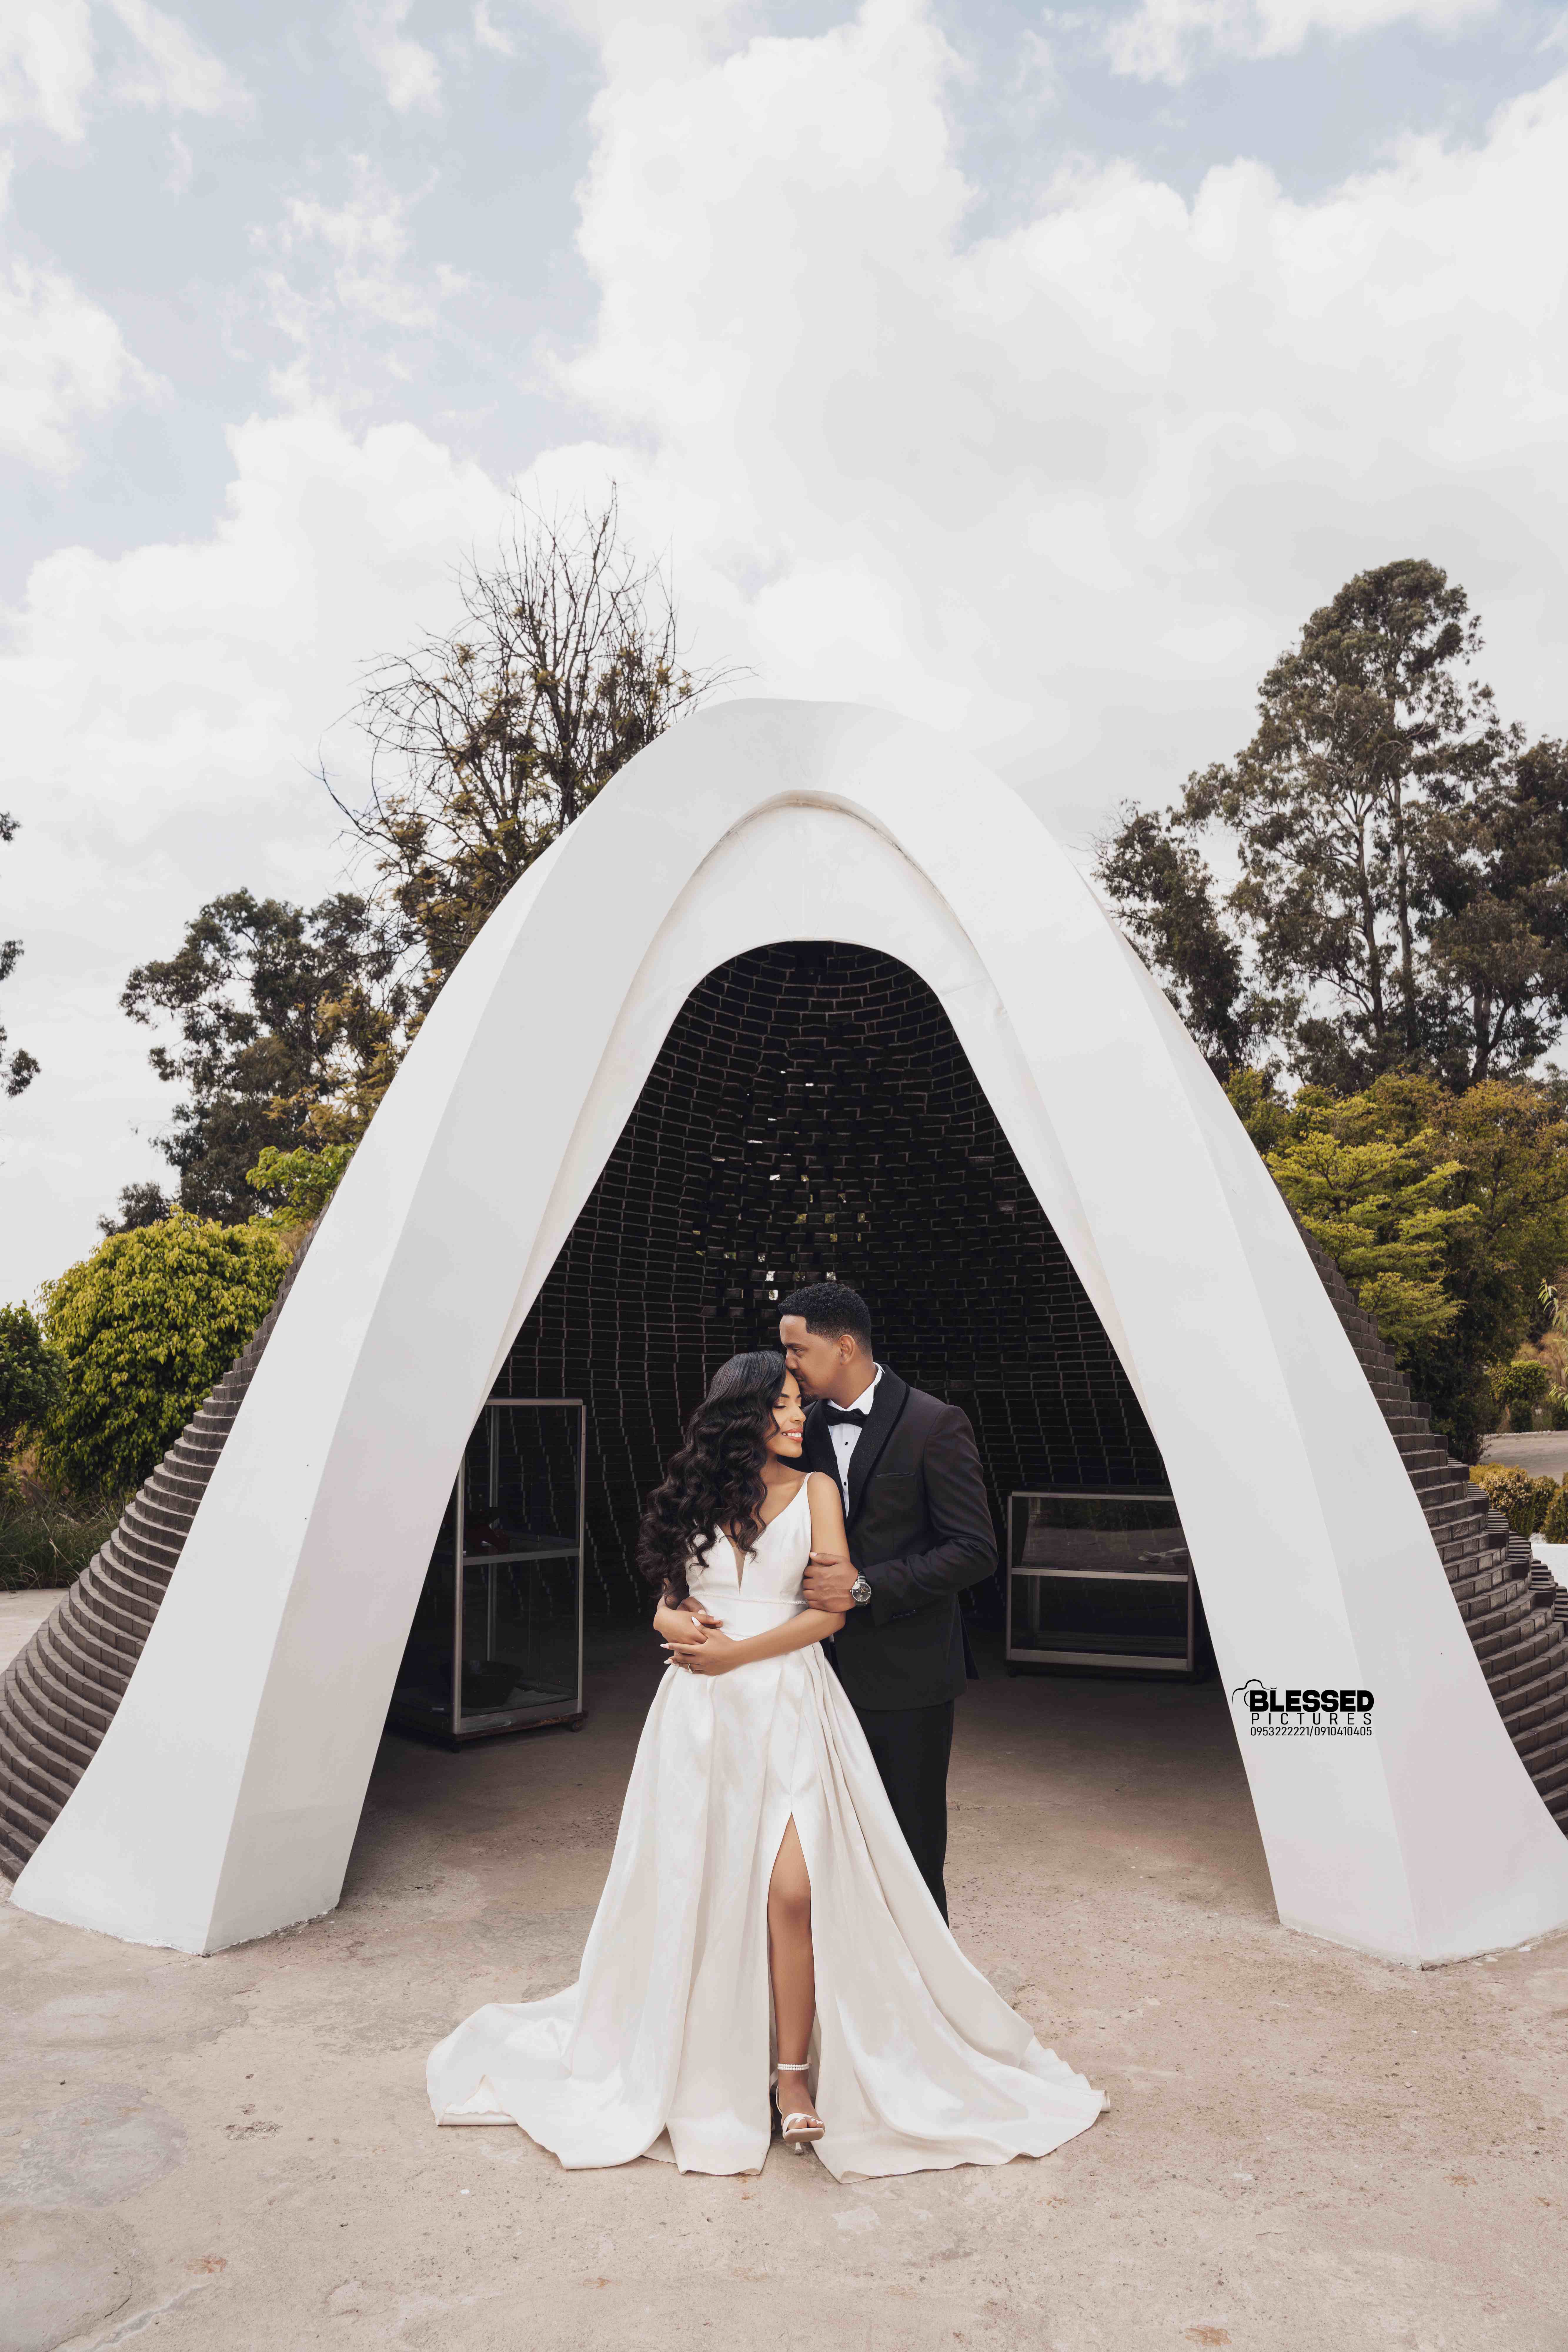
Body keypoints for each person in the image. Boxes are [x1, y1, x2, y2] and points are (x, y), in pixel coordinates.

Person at [427, 1351, 1103, 2179]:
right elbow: (664, 1606)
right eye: (784, 1406)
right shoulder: (693, 1499)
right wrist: (682, 1634)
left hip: (785, 1700)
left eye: (799, 1403)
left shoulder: (819, 1492)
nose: (799, 1417)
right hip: (699, 1715)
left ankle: (792, 2080)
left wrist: (738, 1652)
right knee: (699, 1882)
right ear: (740, 1415)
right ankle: (706, 2058)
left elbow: (826, 1620)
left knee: (793, 1889)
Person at [777, 1281, 994, 1921]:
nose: (787, 1363)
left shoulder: (935, 1423)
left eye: (797, 1349)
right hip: (811, 1675)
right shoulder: (798, 1429)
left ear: (843, 1346)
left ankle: (928, 2004)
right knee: (820, 1848)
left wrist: (866, 1587)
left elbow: (975, 1549)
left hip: (910, 1677)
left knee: (910, 1850)